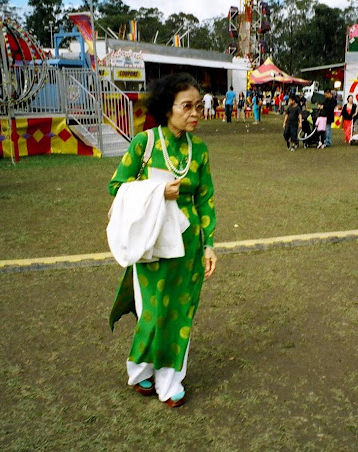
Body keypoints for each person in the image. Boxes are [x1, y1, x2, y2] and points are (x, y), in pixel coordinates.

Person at [108, 73, 217, 408]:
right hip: (152, 245)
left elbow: (205, 199)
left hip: (189, 248)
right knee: (153, 312)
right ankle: (140, 368)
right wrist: (157, 191)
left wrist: (210, 244)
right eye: (187, 106)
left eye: (198, 106)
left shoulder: (198, 149)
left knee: (180, 314)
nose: (195, 113)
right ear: (167, 108)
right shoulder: (144, 144)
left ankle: (169, 382)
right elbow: (117, 186)